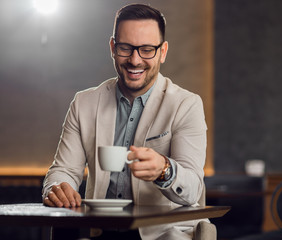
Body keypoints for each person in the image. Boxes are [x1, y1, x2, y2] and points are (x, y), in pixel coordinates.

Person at [42, 3, 209, 240]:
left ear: (163, 51)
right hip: (99, 231)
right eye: (125, 48)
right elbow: (63, 170)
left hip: (161, 234)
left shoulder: (186, 104)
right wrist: (57, 188)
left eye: (147, 49)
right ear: (112, 47)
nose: (135, 59)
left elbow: (192, 189)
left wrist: (164, 169)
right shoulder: (84, 103)